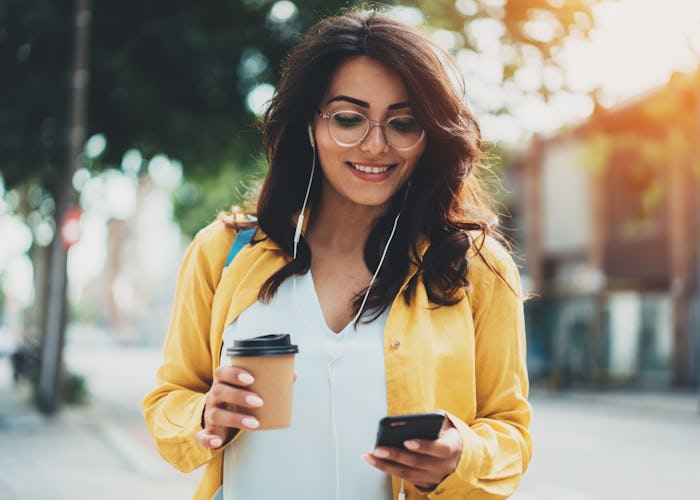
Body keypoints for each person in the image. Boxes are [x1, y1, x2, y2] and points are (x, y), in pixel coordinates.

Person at [143, 8, 532, 500]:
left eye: (403, 123)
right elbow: (167, 401)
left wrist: (461, 456)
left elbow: (512, 436)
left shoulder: (475, 267)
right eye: (349, 118)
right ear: (311, 124)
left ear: (429, 133)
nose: (375, 146)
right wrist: (204, 414)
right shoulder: (222, 252)